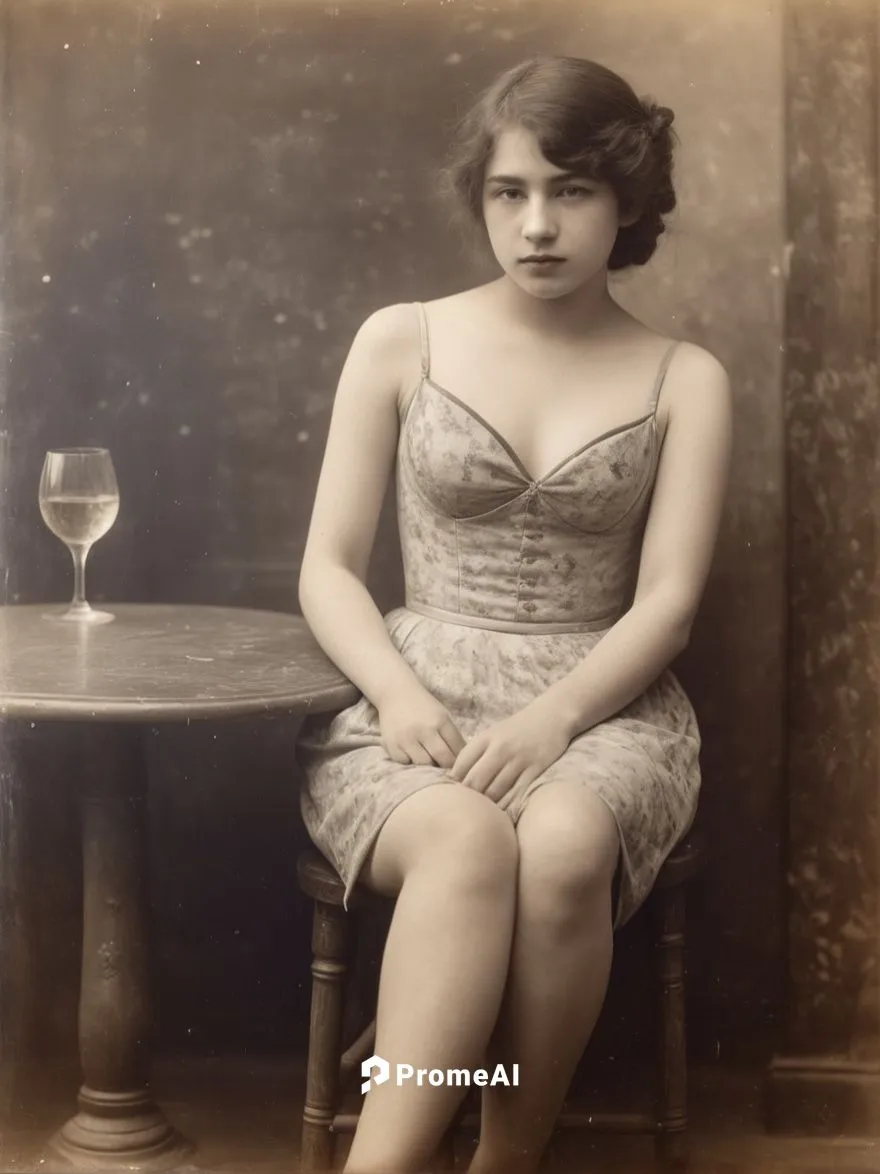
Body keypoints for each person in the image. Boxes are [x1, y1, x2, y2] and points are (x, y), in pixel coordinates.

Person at [295, 53, 732, 1174]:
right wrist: (392, 692)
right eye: (509, 192)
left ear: (625, 199)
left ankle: (505, 1158)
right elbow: (329, 569)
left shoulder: (682, 376)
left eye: (570, 191)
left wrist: (554, 721)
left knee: (568, 838)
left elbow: (670, 604)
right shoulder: (402, 339)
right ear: (482, 199)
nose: (536, 225)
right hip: (414, 700)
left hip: (604, 704)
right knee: (463, 838)